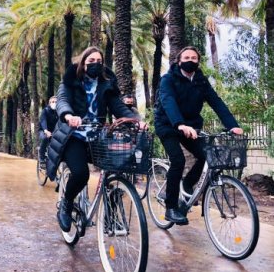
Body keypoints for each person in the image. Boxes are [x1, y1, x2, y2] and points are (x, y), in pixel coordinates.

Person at [46, 46, 146, 232]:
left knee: (117, 169)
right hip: (73, 135)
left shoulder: (106, 83)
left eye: (99, 62)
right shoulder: (70, 80)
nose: (95, 65)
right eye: (91, 61)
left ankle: (111, 213)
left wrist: (135, 121)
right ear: (83, 63)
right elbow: (62, 101)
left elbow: (118, 106)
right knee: (81, 173)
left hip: (96, 136)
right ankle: (66, 205)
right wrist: (68, 116)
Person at [154, 46, 243, 225]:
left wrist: (232, 126)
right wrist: (180, 124)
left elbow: (216, 102)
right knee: (177, 160)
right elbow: (168, 101)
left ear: (198, 61)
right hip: (168, 126)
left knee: (206, 156)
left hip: (191, 128)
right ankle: (171, 207)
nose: (190, 60)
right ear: (179, 61)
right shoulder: (168, 79)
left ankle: (187, 184)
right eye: (186, 57)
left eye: (194, 58)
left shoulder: (201, 81)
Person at [38, 96, 58, 167]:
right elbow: (43, 121)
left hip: (53, 131)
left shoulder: (58, 112)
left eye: (56, 102)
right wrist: (46, 131)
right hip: (43, 130)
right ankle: (41, 157)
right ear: (49, 103)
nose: (54, 103)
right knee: (45, 138)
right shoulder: (45, 111)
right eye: (53, 102)